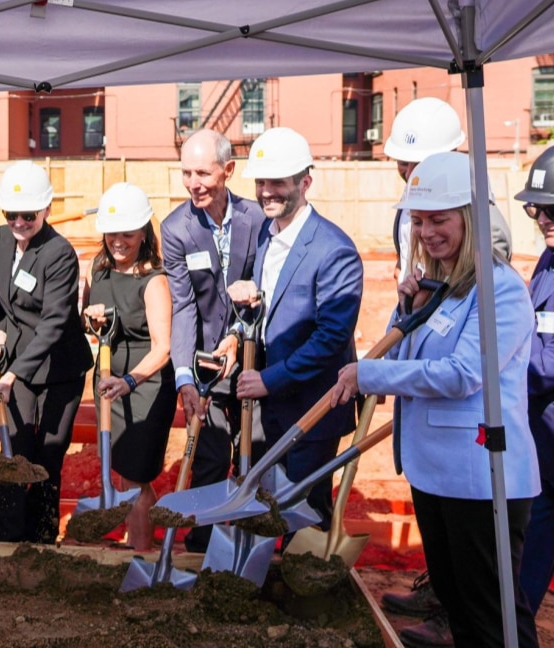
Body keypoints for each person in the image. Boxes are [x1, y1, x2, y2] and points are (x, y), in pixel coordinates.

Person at [332, 151, 540, 648]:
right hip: (437, 474)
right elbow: (403, 350)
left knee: (493, 616)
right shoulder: (444, 288)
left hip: (482, 479)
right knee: (460, 609)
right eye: (419, 220)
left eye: (439, 219)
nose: (427, 232)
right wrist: (406, 309)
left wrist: (369, 373)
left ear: (469, 216)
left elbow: (463, 374)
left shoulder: (498, 291)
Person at [223, 126, 361, 531]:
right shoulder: (267, 235)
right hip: (268, 411)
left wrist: (269, 380)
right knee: (265, 509)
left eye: (278, 182)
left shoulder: (335, 250)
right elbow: (270, 306)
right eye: (261, 182)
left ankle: (306, 590)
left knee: (302, 516)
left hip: (312, 409)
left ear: (305, 182)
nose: (266, 191)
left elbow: (330, 339)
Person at [160, 128, 265, 553]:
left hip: (256, 360)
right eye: (186, 173)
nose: (193, 183)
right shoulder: (175, 228)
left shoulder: (258, 219)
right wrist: (185, 376)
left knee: (253, 455)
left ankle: (247, 543)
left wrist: (240, 335)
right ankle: (201, 546)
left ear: (228, 171)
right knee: (208, 455)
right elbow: (184, 306)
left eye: (202, 173)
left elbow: (264, 289)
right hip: (207, 366)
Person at [0, 161, 93, 543]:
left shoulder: (59, 254)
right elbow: (2, 305)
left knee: (48, 455)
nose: (18, 222)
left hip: (59, 369)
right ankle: (7, 541)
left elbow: (54, 322)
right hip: (19, 360)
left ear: (46, 209)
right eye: (10, 214)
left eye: (28, 215)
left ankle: (42, 542)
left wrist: (13, 373)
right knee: (14, 453)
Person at [82, 182, 174, 550]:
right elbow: (87, 322)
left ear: (143, 233)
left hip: (144, 387)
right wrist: (89, 320)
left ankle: (141, 555)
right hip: (107, 382)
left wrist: (130, 382)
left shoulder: (154, 280)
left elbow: (163, 347)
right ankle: (128, 551)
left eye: (127, 234)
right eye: (111, 233)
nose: (118, 241)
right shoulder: (98, 267)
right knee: (120, 471)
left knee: (137, 477)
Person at [384, 96, 511, 280]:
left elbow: (485, 292)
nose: (411, 173)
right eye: (403, 162)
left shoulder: (486, 224)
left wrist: (433, 303)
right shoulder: (412, 197)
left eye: (420, 163)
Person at [514, 147, 554, 618]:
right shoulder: (548, 258)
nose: (543, 218)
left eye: (552, 209)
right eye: (536, 209)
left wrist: (493, 364)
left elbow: (546, 365)